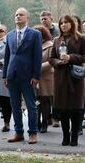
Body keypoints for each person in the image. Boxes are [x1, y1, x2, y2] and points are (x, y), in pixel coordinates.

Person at [3, 8, 42, 144]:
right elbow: (7, 57)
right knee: (15, 106)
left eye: (21, 14)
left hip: (28, 76)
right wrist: (4, 75)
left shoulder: (35, 34)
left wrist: (36, 76)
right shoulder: (10, 35)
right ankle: (18, 132)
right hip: (12, 75)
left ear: (27, 18)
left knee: (31, 106)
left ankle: (33, 133)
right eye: (16, 14)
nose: (18, 16)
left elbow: (38, 56)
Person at [49, 15, 85, 146]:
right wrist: (59, 62)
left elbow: (83, 56)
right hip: (61, 78)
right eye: (61, 23)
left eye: (66, 22)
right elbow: (51, 58)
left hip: (76, 78)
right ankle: (65, 137)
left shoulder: (81, 39)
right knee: (63, 109)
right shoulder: (57, 40)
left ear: (72, 24)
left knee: (76, 109)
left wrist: (70, 57)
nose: (63, 25)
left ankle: (74, 137)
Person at [33, 25, 54, 133]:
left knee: (45, 101)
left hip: (46, 77)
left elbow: (51, 61)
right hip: (34, 77)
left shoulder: (50, 45)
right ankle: (37, 122)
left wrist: (37, 68)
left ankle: (45, 122)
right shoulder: (31, 45)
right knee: (36, 101)